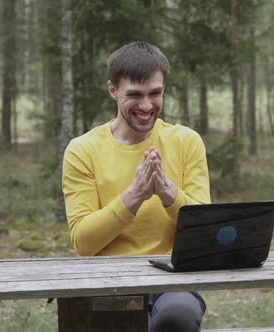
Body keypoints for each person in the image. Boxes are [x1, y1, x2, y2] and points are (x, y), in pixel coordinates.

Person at [62, 41, 211, 332]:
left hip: (173, 278)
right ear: (112, 90)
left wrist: (168, 193)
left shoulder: (186, 141)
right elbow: (83, 241)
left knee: (176, 318)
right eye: (135, 95)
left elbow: (205, 235)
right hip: (105, 280)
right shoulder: (82, 150)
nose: (146, 106)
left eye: (155, 94)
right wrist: (134, 196)